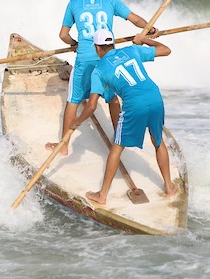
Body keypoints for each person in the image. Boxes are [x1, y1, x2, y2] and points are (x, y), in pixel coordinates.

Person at [45, 0, 157, 156]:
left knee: (73, 100)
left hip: (85, 58)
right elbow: (135, 19)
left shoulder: (74, 3)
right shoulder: (110, 0)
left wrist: (74, 43)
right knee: (112, 98)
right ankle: (119, 140)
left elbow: (63, 35)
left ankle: (63, 145)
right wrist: (150, 28)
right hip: (107, 57)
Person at [69, 28, 178, 205]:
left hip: (135, 104)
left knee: (117, 147)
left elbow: (91, 106)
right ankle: (169, 187)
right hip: (155, 97)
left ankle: (102, 195)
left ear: (97, 48)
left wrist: (76, 122)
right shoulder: (131, 50)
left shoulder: (98, 70)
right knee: (158, 142)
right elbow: (166, 50)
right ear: (112, 44)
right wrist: (144, 39)